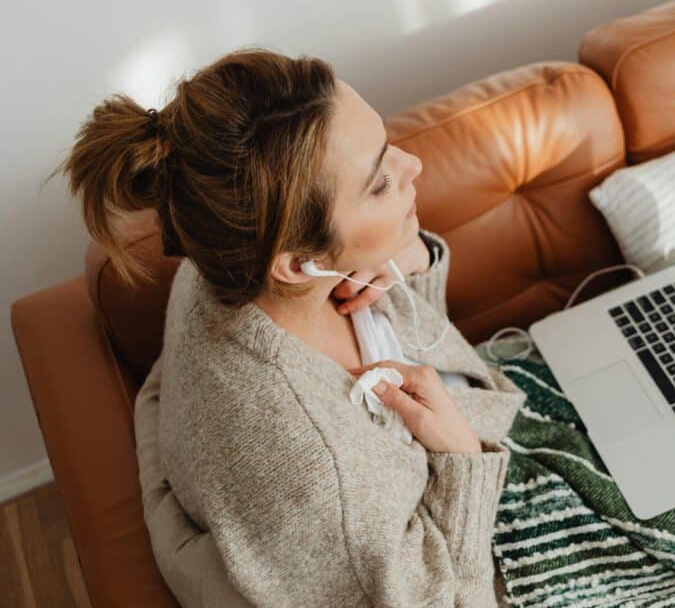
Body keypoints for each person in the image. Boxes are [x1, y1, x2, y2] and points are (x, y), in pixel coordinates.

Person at [53, 47, 525, 607]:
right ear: (300, 263)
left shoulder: (220, 276)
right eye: (379, 182)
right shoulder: (313, 472)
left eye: (385, 144)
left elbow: (413, 343)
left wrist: (410, 263)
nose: (413, 165)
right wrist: (463, 463)